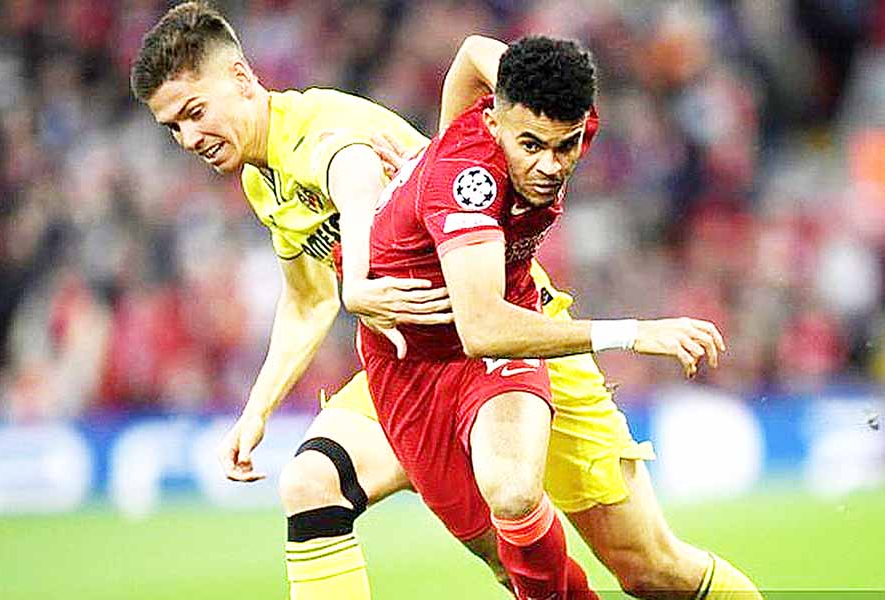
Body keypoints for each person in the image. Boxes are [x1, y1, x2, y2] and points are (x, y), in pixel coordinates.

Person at [131, 3, 761, 599]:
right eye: (173, 127)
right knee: (315, 485)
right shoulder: (262, 178)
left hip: (516, 337)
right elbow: (306, 300)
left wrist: (526, 104)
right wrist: (256, 411)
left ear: (242, 79)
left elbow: (353, 173)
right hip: (414, 365)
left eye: (195, 111)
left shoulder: (318, 130)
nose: (188, 136)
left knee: (648, 567)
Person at [362, 35, 762, 600]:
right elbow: (481, 328)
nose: (550, 165)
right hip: (415, 366)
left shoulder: (560, 113)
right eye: (530, 145)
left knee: (576, 528)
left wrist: (441, 139)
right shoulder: (467, 183)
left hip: (510, 331)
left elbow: (474, 51)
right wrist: (635, 334)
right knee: (507, 561)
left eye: (565, 146)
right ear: (495, 121)